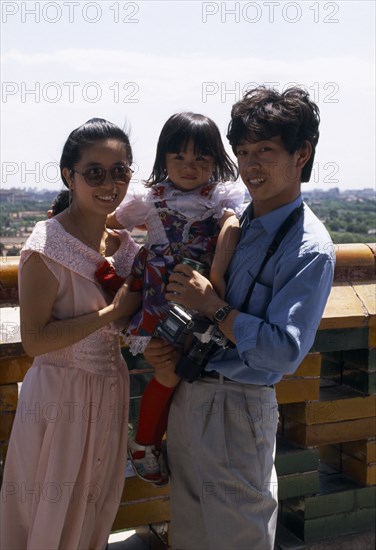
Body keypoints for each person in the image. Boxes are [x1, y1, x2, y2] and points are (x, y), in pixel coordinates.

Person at [144, 87, 335, 549]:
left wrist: (214, 306)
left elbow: (283, 351)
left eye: (266, 150)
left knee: (237, 538)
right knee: (189, 533)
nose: (250, 165)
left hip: (239, 404)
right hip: (191, 390)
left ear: (301, 153)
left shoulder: (309, 247)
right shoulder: (234, 222)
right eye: (243, 151)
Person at [0, 118, 141, 550]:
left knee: (93, 508)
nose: (109, 183)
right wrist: (110, 313)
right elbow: (36, 341)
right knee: (48, 510)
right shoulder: (45, 247)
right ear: (69, 175)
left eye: (120, 172)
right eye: (94, 172)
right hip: (60, 399)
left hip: (109, 391)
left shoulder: (123, 245)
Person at [106, 112, 245, 484]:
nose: (189, 166)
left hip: (197, 296)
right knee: (169, 371)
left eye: (201, 158)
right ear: (163, 158)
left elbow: (232, 229)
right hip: (156, 295)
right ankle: (145, 443)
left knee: (182, 372)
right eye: (179, 157)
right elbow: (109, 223)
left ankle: (150, 444)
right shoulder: (148, 198)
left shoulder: (221, 198)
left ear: (216, 160)